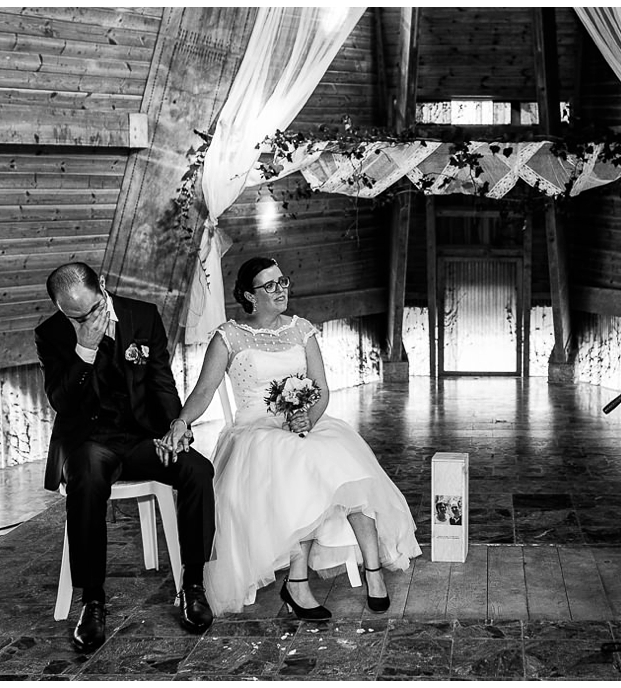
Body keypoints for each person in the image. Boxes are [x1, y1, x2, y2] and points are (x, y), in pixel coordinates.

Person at [159, 256, 421, 618]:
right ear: (250, 296)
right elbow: (203, 392)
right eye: (270, 285)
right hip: (254, 431)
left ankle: (373, 571)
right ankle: (297, 583)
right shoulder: (229, 336)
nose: (280, 290)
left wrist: (307, 421)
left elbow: (322, 390)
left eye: (283, 282)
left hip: (305, 423)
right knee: (300, 462)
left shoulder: (302, 329)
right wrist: (181, 422)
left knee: (346, 464)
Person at [35, 263, 216, 652]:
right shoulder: (50, 334)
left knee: (198, 470)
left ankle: (194, 584)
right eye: (74, 316)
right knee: (85, 475)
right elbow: (61, 403)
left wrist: (176, 426)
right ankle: (93, 600)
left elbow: (160, 381)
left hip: (141, 437)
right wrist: (83, 347)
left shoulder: (142, 315)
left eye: (90, 309)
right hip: (91, 441)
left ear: (101, 286)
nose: (86, 319)